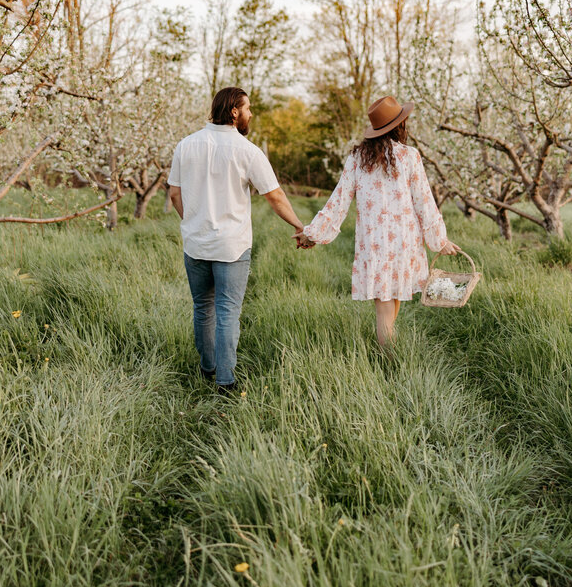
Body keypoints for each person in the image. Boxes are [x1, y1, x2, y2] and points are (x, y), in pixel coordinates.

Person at [167, 87, 309, 395]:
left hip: (196, 243)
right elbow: (275, 196)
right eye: (248, 109)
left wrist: (191, 221)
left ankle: (207, 369)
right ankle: (226, 382)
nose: (251, 114)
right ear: (234, 112)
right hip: (231, 246)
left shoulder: (186, 145)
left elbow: (175, 194)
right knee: (227, 310)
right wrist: (300, 226)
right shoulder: (247, 151)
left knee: (202, 307)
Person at [296, 96, 460, 348]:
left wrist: (312, 234)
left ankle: (389, 361)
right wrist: (440, 240)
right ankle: (392, 365)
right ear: (399, 126)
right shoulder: (409, 156)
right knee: (389, 308)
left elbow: (338, 201)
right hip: (404, 243)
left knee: (388, 307)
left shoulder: (357, 159)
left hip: (374, 245)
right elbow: (424, 202)